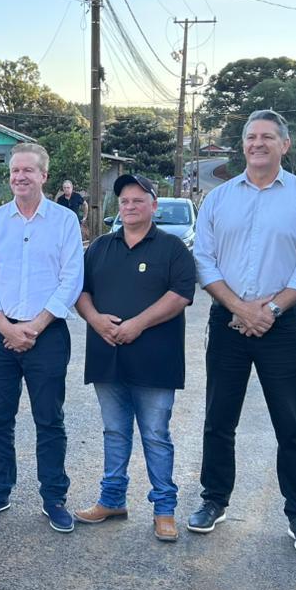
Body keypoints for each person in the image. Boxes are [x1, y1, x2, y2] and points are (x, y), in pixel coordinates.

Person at [188, 110, 296, 555]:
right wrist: (238, 308)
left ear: (285, 145)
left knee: (291, 422)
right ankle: (214, 499)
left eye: (268, 137)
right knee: (218, 417)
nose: (258, 144)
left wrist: (267, 309)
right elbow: (203, 260)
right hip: (228, 321)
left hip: (282, 324)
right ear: (243, 145)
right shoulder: (219, 199)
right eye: (251, 137)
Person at [74, 174, 195, 542]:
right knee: (114, 432)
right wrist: (95, 320)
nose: (130, 206)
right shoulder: (99, 246)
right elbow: (80, 291)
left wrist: (137, 325)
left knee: (156, 435)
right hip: (107, 356)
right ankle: (112, 500)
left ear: (153, 206)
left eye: (138, 200)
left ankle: (164, 509)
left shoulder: (173, 248)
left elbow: (181, 295)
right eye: (124, 201)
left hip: (155, 360)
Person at [0, 143, 83, 533]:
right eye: (14, 170)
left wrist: (35, 325)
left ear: (44, 176)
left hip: (47, 333)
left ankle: (54, 498)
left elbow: (72, 279)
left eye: (27, 171)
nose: (19, 176)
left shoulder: (65, 221)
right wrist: (4, 325)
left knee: (49, 419)